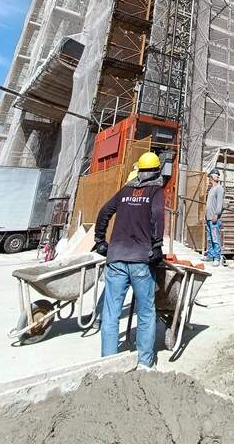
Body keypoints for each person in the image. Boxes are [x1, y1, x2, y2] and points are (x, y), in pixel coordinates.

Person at [94, 151, 164, 368]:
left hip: (115, 258)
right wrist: (156, 246)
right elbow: (158, 218)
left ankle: (108, 363)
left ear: (139, 170)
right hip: (141, 260)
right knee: (145, 313)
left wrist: (100, 241)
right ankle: (144, 363)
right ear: (157, 170)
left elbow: (104, 212)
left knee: (111, 313)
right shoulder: (155, 191)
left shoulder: (125, 190)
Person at [202, 168, 224, 267]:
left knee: (215, 238)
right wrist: (205, 216)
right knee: (210, 238)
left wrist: (216, 214)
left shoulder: (219, 188)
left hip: (215, 218)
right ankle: (210, 255)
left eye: (210, 177)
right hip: (209, 217)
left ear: (214, 177)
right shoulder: (211, 189)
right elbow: (208, 204)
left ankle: (217, 257)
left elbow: (220, 203)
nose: (209, 179)